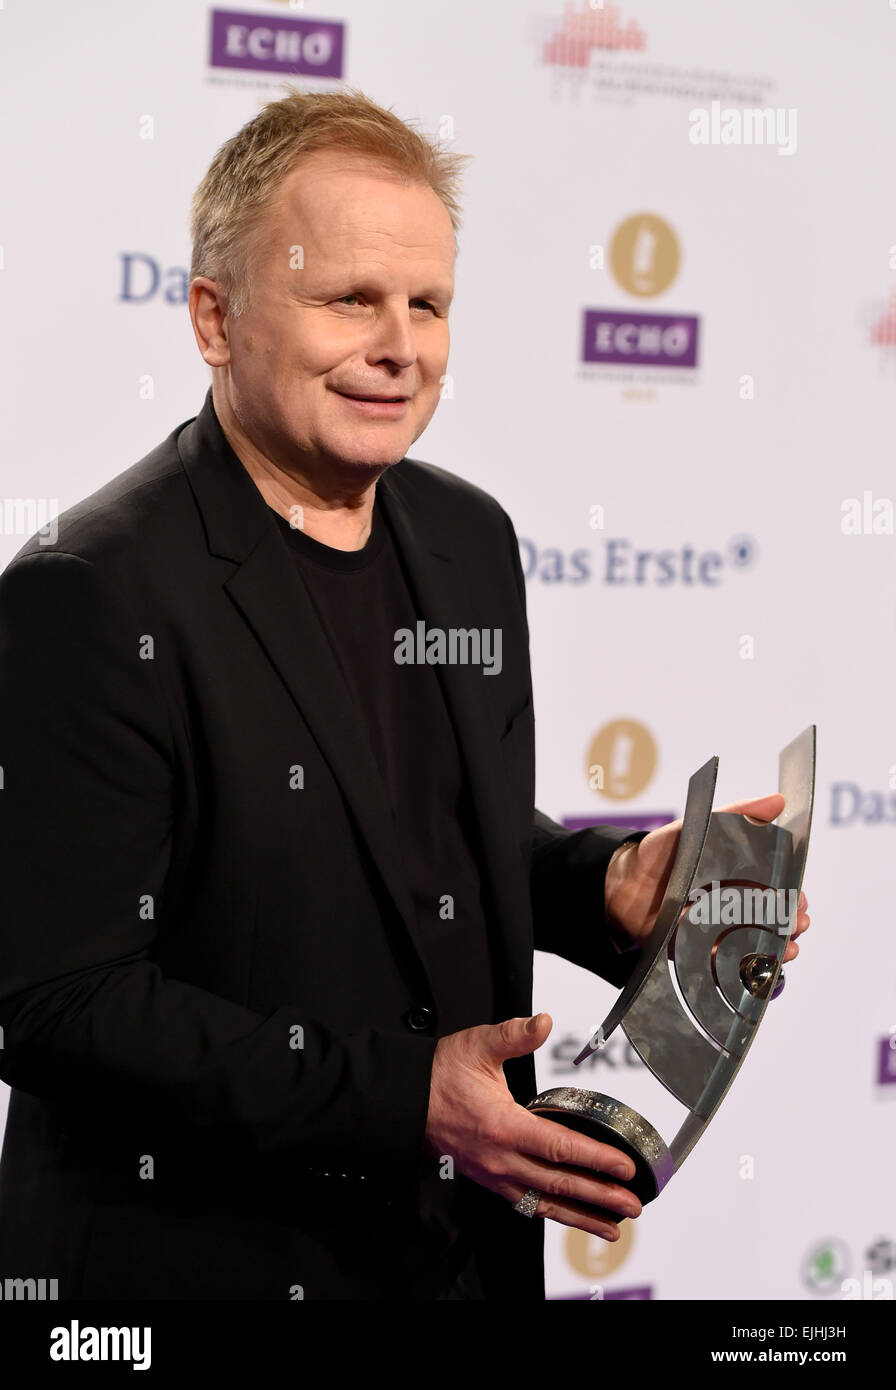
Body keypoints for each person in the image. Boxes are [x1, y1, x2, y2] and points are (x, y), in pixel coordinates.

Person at [0, 87, 809, 1301]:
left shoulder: (463, 537)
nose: (399, 345)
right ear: (215, 320)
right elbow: (52, 1001)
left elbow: (417, 844)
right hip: (194, 1273)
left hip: (454, 1266)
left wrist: (603, 888)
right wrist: (403, 1100)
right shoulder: (93, 590)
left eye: (426, 303)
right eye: (348, 300)